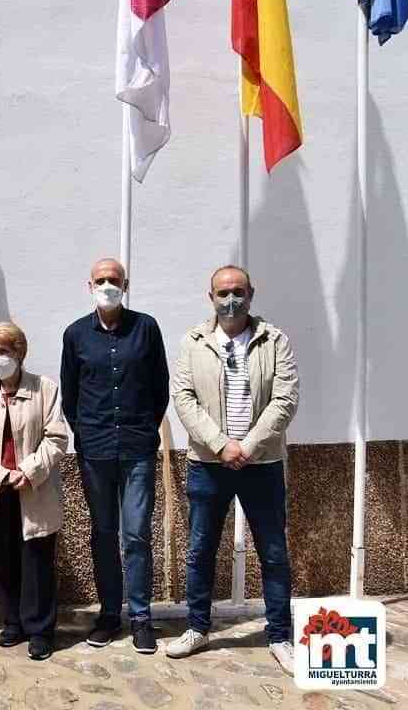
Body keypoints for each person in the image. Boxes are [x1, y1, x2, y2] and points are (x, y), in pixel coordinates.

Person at [167, 266, 299, 675]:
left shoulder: (275, 340)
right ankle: (197, 628)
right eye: (223, 292)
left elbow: (285, 397)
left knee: (273, 552)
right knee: (201, 549)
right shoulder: (194, 342)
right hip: (209, 463)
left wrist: (248, 446)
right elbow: (183, 398)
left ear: (251, 293)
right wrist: (222, 445)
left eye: (238, 291)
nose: (231, 299)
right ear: (211, 297)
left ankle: (280, 636)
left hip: (261, 463)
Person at [60, 258, 169, 654]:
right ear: (89, 285)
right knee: (103, 534)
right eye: (101, 280)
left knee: (137, 533)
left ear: (126, 284)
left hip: (138, 449)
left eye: (114, 280)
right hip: (96, 451)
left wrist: (143, 429)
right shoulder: (75, 335)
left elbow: (161, 388)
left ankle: (141, 617)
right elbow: (69, 395)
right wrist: (86, 433)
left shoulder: (146, 328)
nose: (108, 285)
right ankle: (109, 614)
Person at [0, 322, 68, 661]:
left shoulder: (45, 389)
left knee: (37, 561)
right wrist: (1, 476)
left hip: (33, 488)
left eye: (5, 352)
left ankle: (40, 629)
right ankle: (13, 622)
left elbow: (56, 437)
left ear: (19, 353)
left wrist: (29, 471)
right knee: (5, 559)